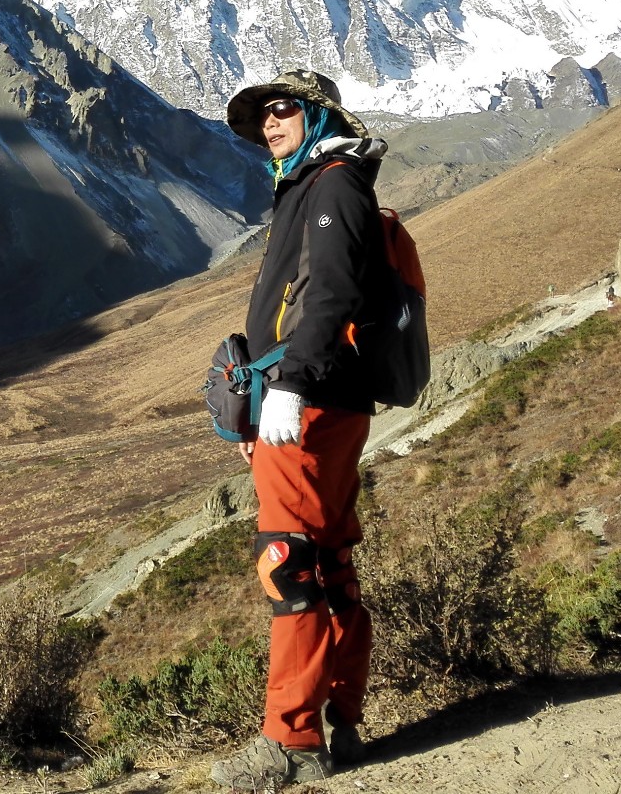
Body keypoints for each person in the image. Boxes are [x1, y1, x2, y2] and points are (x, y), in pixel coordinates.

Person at [208, 70, 389, 790]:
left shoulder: (333, 183)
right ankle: (342, 721)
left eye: (283, 110)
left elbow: (331, 293)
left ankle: (291, 742)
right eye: (263, 118)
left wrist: (287, 385)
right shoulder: (314, 182)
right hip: (320, 397)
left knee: (289, 561)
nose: (270, 124)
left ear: (318, 113)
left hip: (308, 401)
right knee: (331, 558)